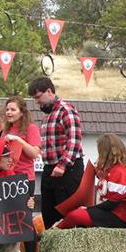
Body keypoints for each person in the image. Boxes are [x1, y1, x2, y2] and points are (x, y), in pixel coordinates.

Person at [28, 77, 85, 232]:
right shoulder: (47, 116)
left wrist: (63, 165)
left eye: (38, 97)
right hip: (50, 167)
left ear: (49, 91)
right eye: (34, 99)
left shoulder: (66, 110)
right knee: (48, 214)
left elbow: (74, 140)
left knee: (66, 215)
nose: (37, 102)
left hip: (68, 169)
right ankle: (50, 251)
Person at [58, 133, 126, 229]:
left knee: (75, 216)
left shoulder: (120, 171)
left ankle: (54, 232)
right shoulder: (110, 169)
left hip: (118, 216)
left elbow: (113, 203)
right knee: (77, 216)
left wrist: (90, 209)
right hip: (108, 212)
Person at [2, 96, 41, 252]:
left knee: (24, 218)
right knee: (9, 218)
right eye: (7, 109)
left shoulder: (31, 129)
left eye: (13, 109)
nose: (9, 112)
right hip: (8, 178)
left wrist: (19, 140)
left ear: (22, 112)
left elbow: (34, 153)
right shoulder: (6, 129)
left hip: (25, 179)